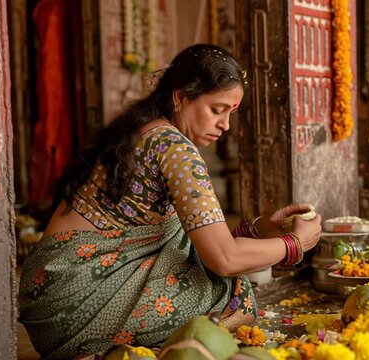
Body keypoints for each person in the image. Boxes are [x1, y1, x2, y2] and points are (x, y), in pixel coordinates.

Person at [18, 43, 322, 359]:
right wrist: (296, 244)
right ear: (180, 97)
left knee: (189, 249)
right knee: (230, 291)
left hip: (49, 293)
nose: (225, 125)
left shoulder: (143, 128)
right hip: (74, 303)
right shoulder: (174, 148)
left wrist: (259, 230)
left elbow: (207, 245)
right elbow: (224, 259)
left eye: (230, 113)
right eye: (216, 110)